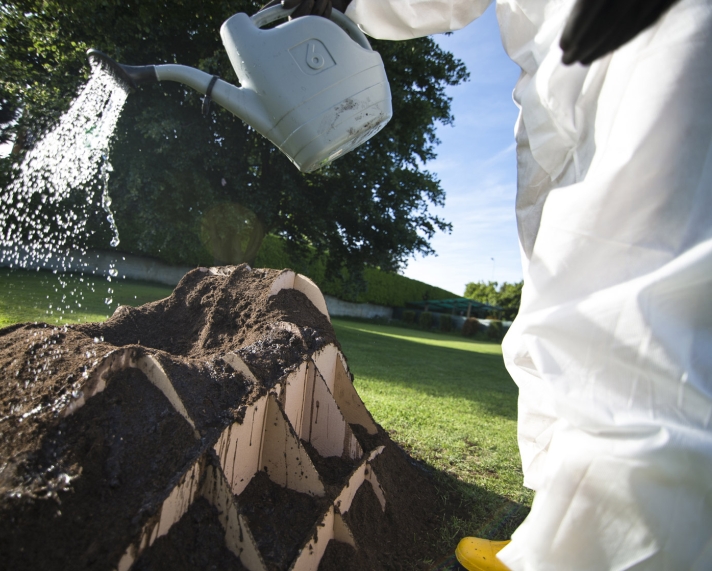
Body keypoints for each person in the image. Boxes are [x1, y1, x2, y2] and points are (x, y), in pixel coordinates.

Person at [266, 0, 712, 569]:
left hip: (653, 44)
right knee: (558, 308)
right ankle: (559, 533)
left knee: (632, 310)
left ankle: (597, 554)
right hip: (561, 75)